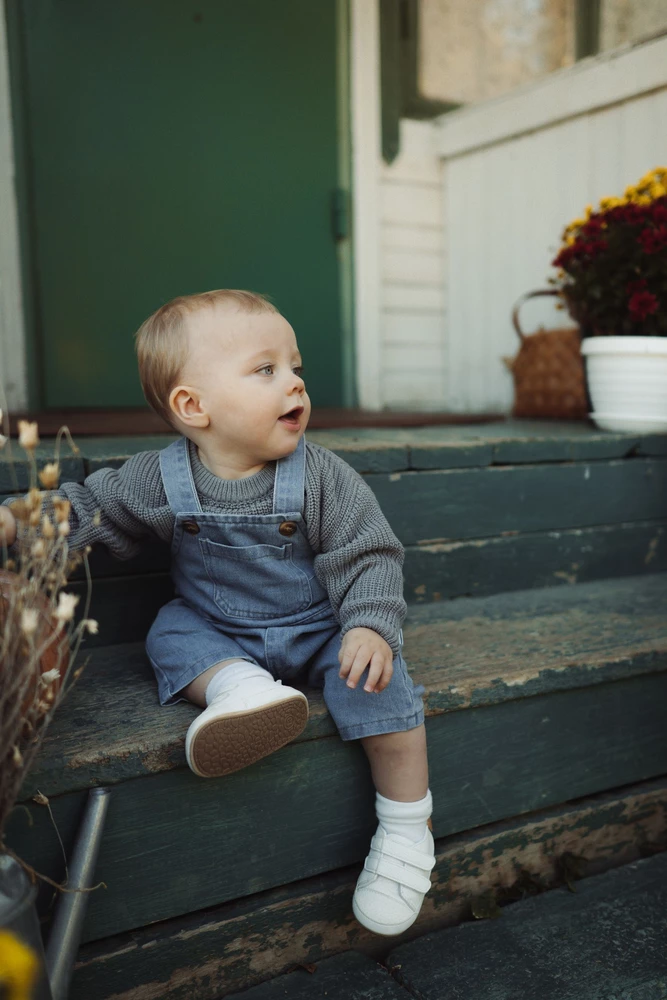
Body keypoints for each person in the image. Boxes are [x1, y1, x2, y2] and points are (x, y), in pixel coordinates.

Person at [0, 289, 435, 936]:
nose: (293, 383)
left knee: (382, 685)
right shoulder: (158, 479)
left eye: (296, 368)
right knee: (169, 631)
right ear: (191, 406)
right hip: (219, 630)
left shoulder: (324, 477)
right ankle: (239, 689)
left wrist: (370, 625)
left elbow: (367, 552)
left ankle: (405, 831)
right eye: (266, 370)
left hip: (320, 631)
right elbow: (90, 510)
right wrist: (15, 524)